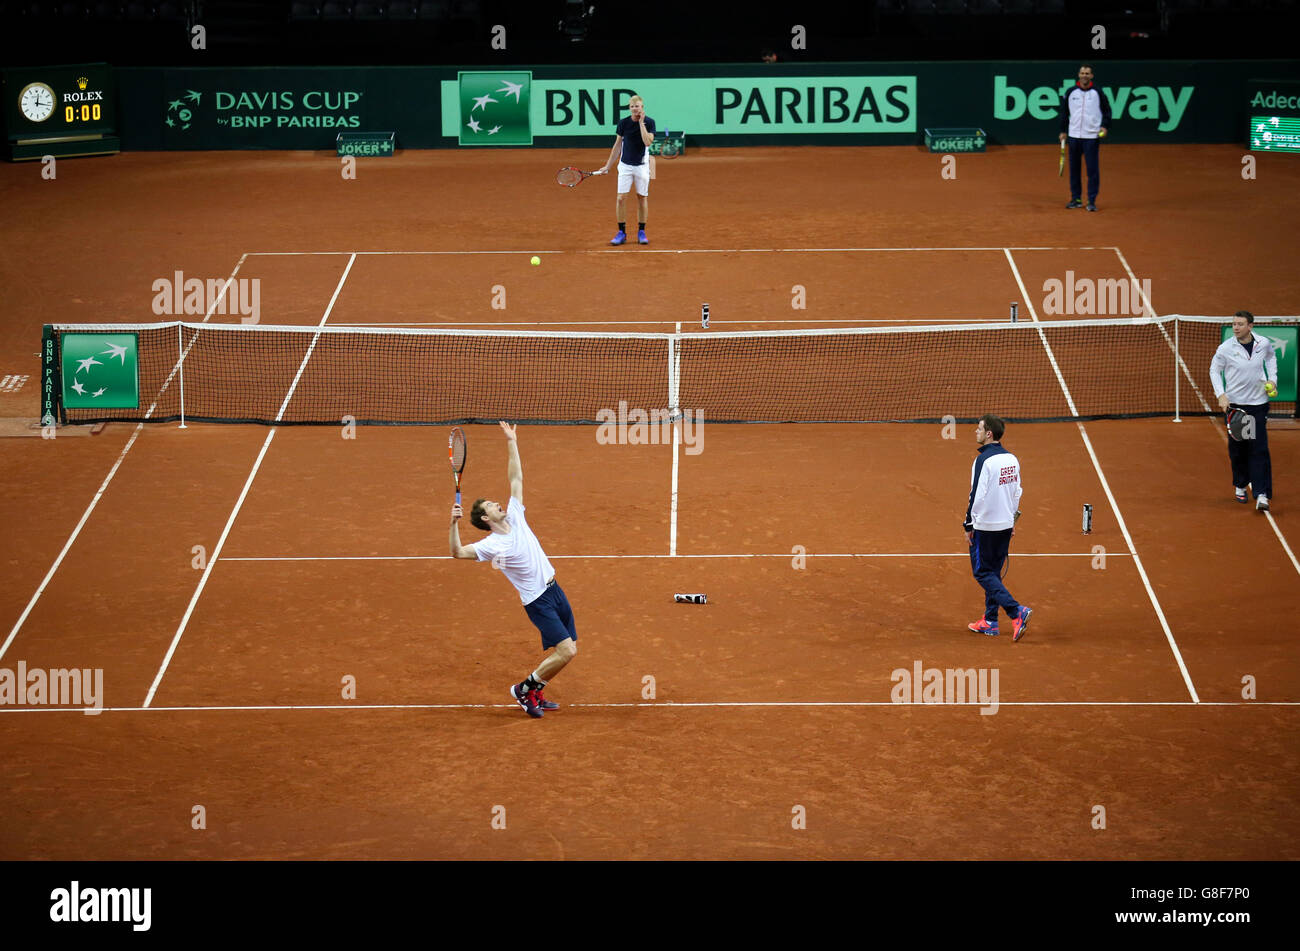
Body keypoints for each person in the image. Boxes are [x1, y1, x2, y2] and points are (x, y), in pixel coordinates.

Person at [450, 422, 578, 718]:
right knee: (566, 651)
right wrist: (452, 524)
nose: (498, 502)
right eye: (491, 505)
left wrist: (511, 441)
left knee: (570, 650)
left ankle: (536, 689)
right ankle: (523, 688)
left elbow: (516, 476)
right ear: (486, 517)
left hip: (555, 589)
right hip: (538, 602)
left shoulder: (516, 515)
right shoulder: (491, 545)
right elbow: (456, 553)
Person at [963, 414, 1032, 642]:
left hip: (986, 527)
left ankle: (1016, 611)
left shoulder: (983, 461)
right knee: (993, 573)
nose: (976, 432)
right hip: (1005, 525)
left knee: (982, 572)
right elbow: (1016, 492)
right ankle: (990, 621)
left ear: (989, 433)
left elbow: (977, 496)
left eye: (979, 429)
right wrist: (1012, 521)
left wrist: (969, 523)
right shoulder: (1012, 459)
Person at [1211, 310, 1278, 512]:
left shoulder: (1263, 343)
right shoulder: (1225, 349)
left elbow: (1271, 359)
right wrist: (1221, 394)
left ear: (1250, 326)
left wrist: (1272, 380)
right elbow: (1214, 370)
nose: (1236, 327)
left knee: (1259, 449)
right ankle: (1241, 484)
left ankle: (1262, 493)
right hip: (1237, 406)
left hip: (1258, 404)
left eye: (1240, 324)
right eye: (1234, 324)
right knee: (1239, 451)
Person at [600, 94, 655, 246]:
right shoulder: (623, 123)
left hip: (642, 166)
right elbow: (617, 146)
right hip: (625, 166)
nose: (635, 109)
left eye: (637, 106)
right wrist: (608, 166)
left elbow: (647, 142)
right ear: (629, 108)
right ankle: (622, 232)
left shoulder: (649, 122)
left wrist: (642, 124)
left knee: (642, 197)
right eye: (632, 106)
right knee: (620, 198)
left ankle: (641, 231)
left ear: (642, 107)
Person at [1059, 64, 1110, 212]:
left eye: (1087, 73)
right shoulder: (1070, 92)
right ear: (1079, 75)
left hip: (1091, 137)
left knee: (1092, 170)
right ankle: (1076, 199)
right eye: (1082, 73)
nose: (1084, 75)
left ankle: (1091, 201)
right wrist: (1063, 130)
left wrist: (1104, 126)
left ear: (1091, 76)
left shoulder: (1098, 92)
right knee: (1074, 170)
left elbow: (1107, 111)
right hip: (1074, 136)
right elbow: (1064, 112)